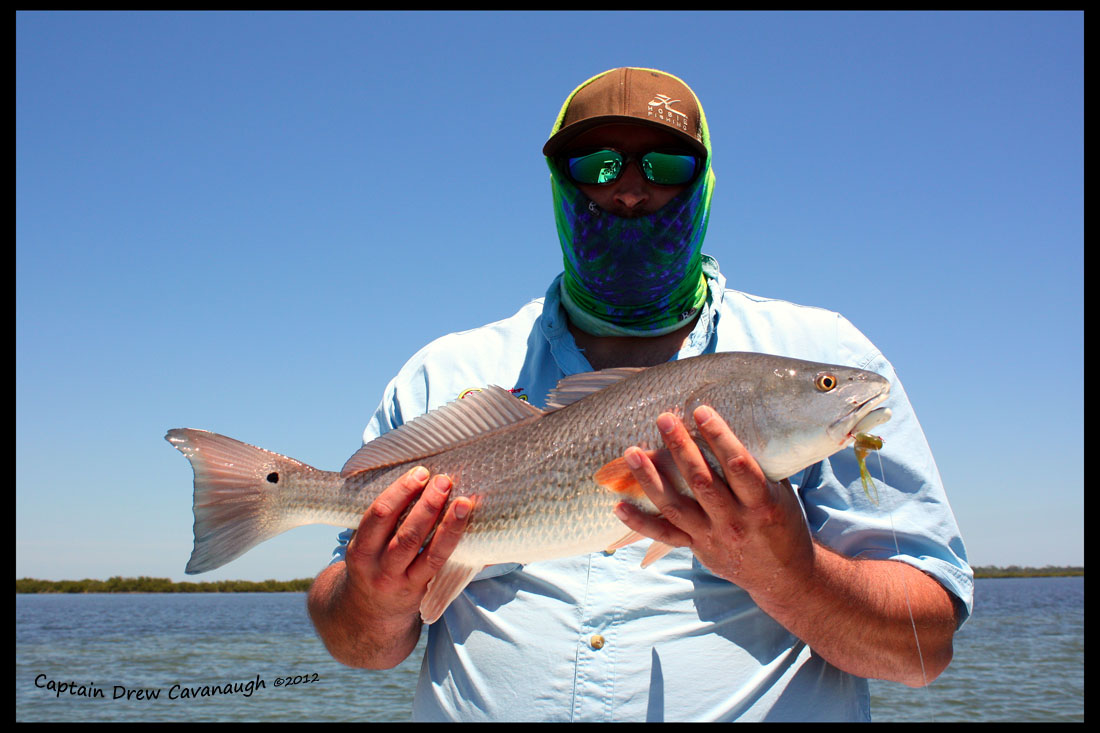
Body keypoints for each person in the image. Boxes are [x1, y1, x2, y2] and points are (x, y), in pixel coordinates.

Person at [307, 67, 973, 722]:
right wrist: (374, 597)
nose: (629, 190)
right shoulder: (443, 373)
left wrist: (789, 573)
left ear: (706, 183)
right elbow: (357, 642)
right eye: (595, 165)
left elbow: (920, 651)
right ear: (557, 186)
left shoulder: (829, 349)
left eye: (666, 165)